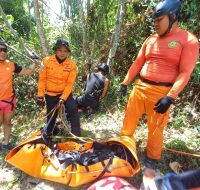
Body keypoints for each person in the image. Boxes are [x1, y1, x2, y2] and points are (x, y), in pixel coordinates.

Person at [119, 0, 199, 169]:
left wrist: (170, 97)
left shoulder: (188, 40)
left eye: (159, 20)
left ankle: (151, 160)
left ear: (173, 16)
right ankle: (124, 149)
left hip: (161, 92)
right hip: (139, 87)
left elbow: (185, 73)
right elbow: (137, 63)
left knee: (155, 130)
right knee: (128, 122)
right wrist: (125, 82)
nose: (155, 24)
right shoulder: (150, 39)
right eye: (154, 21)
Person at [37, 39, 81, 137]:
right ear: (56, 50)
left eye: (65, 51)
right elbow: (42, 79)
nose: (62, 53)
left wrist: (62, 98)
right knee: (52, 115)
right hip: (50, 94)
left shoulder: (72, 65)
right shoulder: (46, 61)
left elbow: (70, 83)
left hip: (65, 93)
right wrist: (40, 96)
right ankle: (48, 135)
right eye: (60, 50)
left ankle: (76, 135)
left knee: (73, 109)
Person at [0, 39, 36, 150]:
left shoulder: (11, 65)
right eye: (0, 50)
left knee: (7, 122)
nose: (3, 52)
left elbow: (27, 71)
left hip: (9, 101)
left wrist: (34, 62)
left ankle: (6, 143)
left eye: (4, 50)